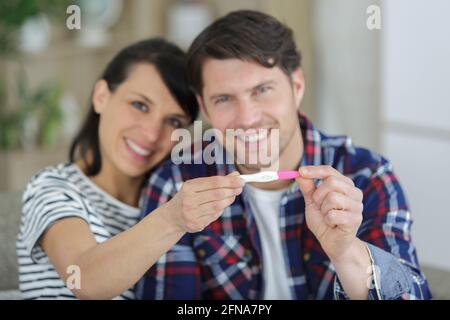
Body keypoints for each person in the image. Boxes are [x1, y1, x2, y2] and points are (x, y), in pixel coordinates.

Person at [137, 11, 432, 300]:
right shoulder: (178, 183)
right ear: (204, 106)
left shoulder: (367, 175)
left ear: (297, 86)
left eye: (262, 90)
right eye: (224, 99)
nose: (247, 118)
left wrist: (346, 252)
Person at [16, 38, 245, 299]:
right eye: (140, 105)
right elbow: (82, 279)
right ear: (101, 96)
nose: (151, 133)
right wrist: (172, 219)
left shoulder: (168, 197)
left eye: (173, 121)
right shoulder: (52, 187)